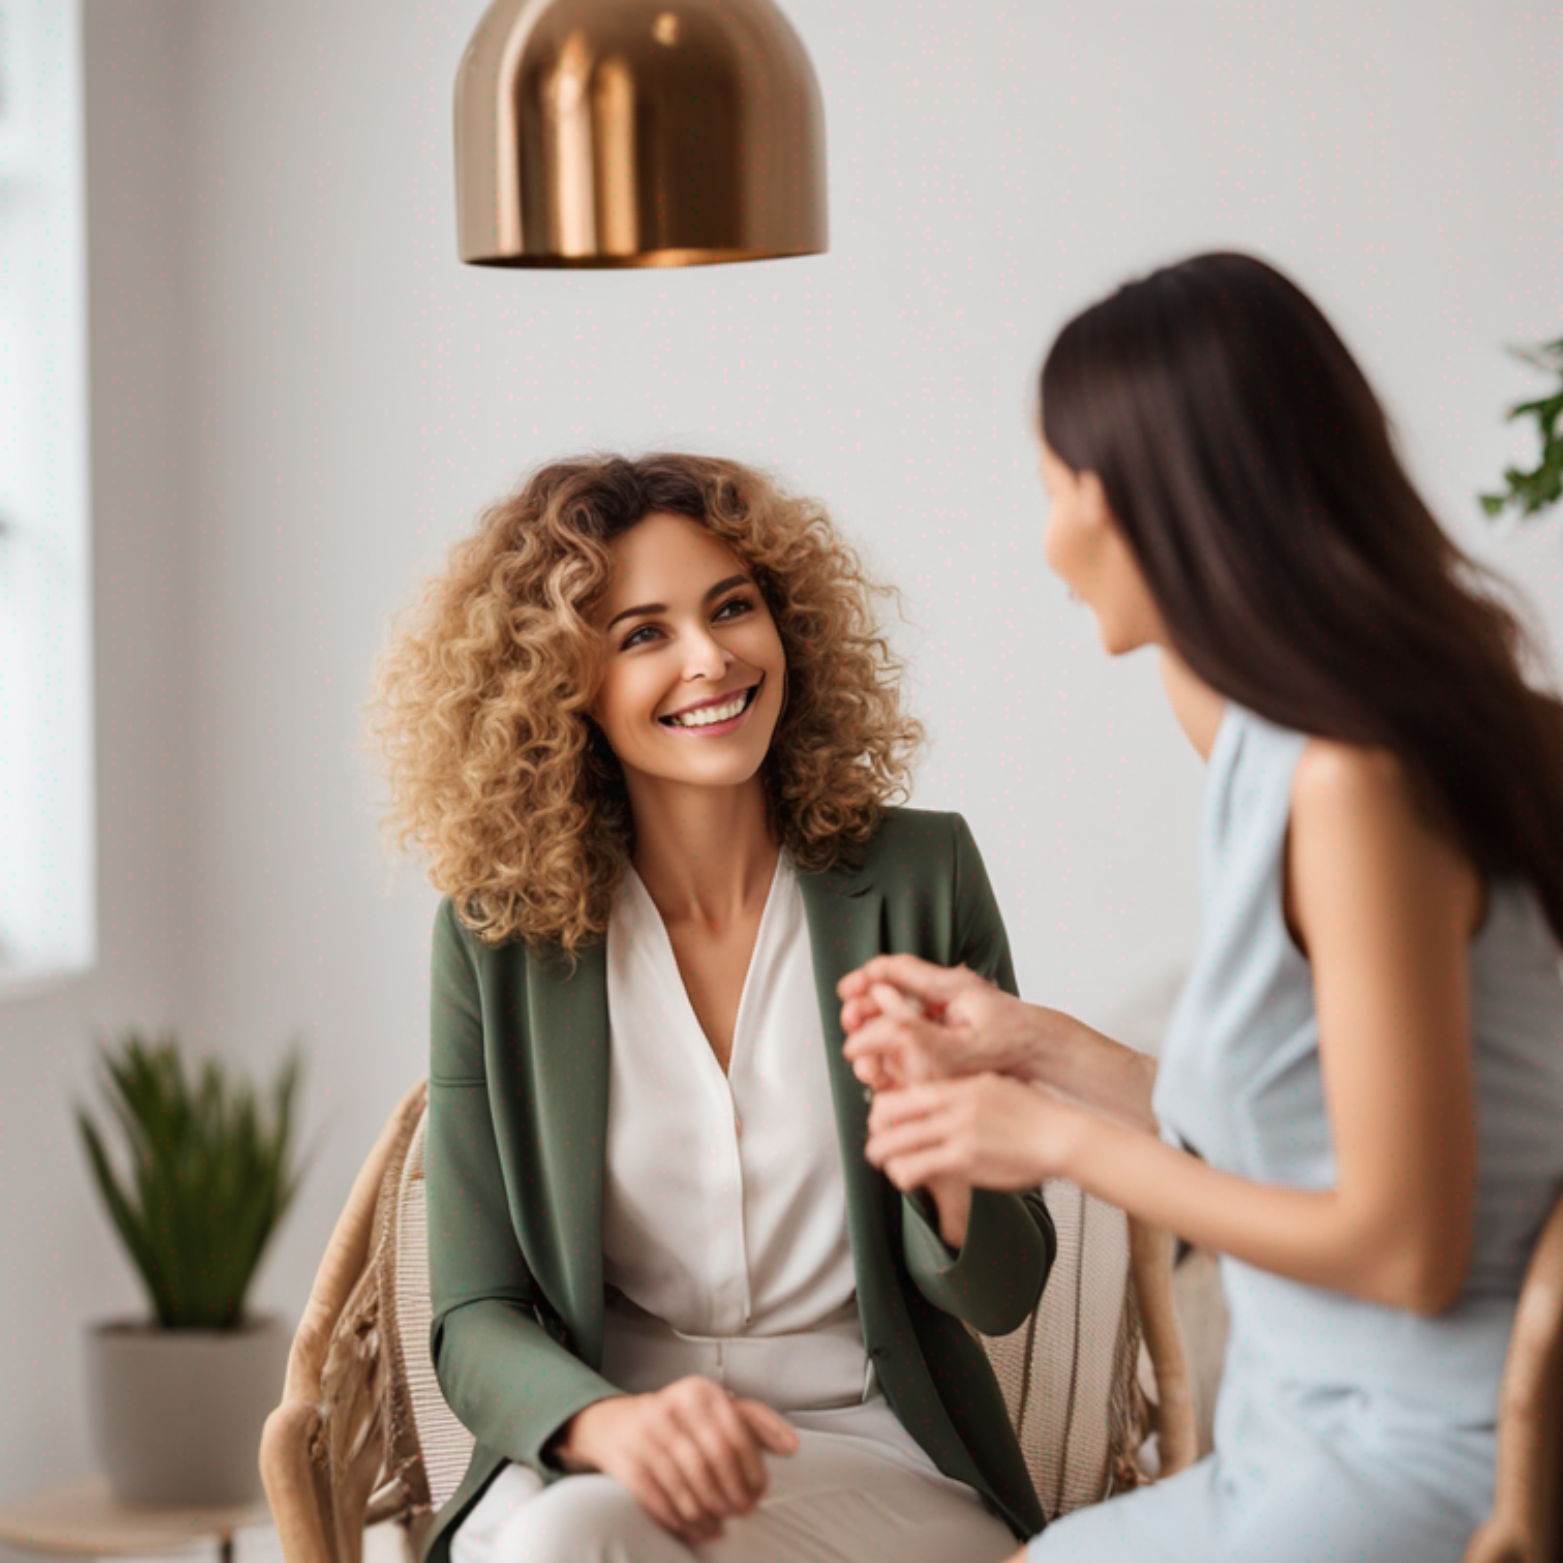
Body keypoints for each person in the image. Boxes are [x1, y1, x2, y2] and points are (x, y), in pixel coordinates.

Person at [837, 252, 1563, 1563]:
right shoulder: (1266, 746)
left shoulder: (1354, 778)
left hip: (1423, 1455)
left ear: (1153, 502)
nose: (1045, 530)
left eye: (1059, 482)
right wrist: (1031, 1045)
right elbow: (1289, 1128)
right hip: (1293, 1428)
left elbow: (1403, 1247)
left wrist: (1053, 1144)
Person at [368, 453, 1056, 1563]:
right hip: (610, 1444)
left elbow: (1008, 1287)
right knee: (549, 1541)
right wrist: (611, 1424)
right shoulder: (494, 939)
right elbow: (475, 1314)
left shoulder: (925, 879)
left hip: (876, 1445)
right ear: (564, 685)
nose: (709, 658)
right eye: (643, 633)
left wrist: (945, 1163)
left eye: (731, 607)